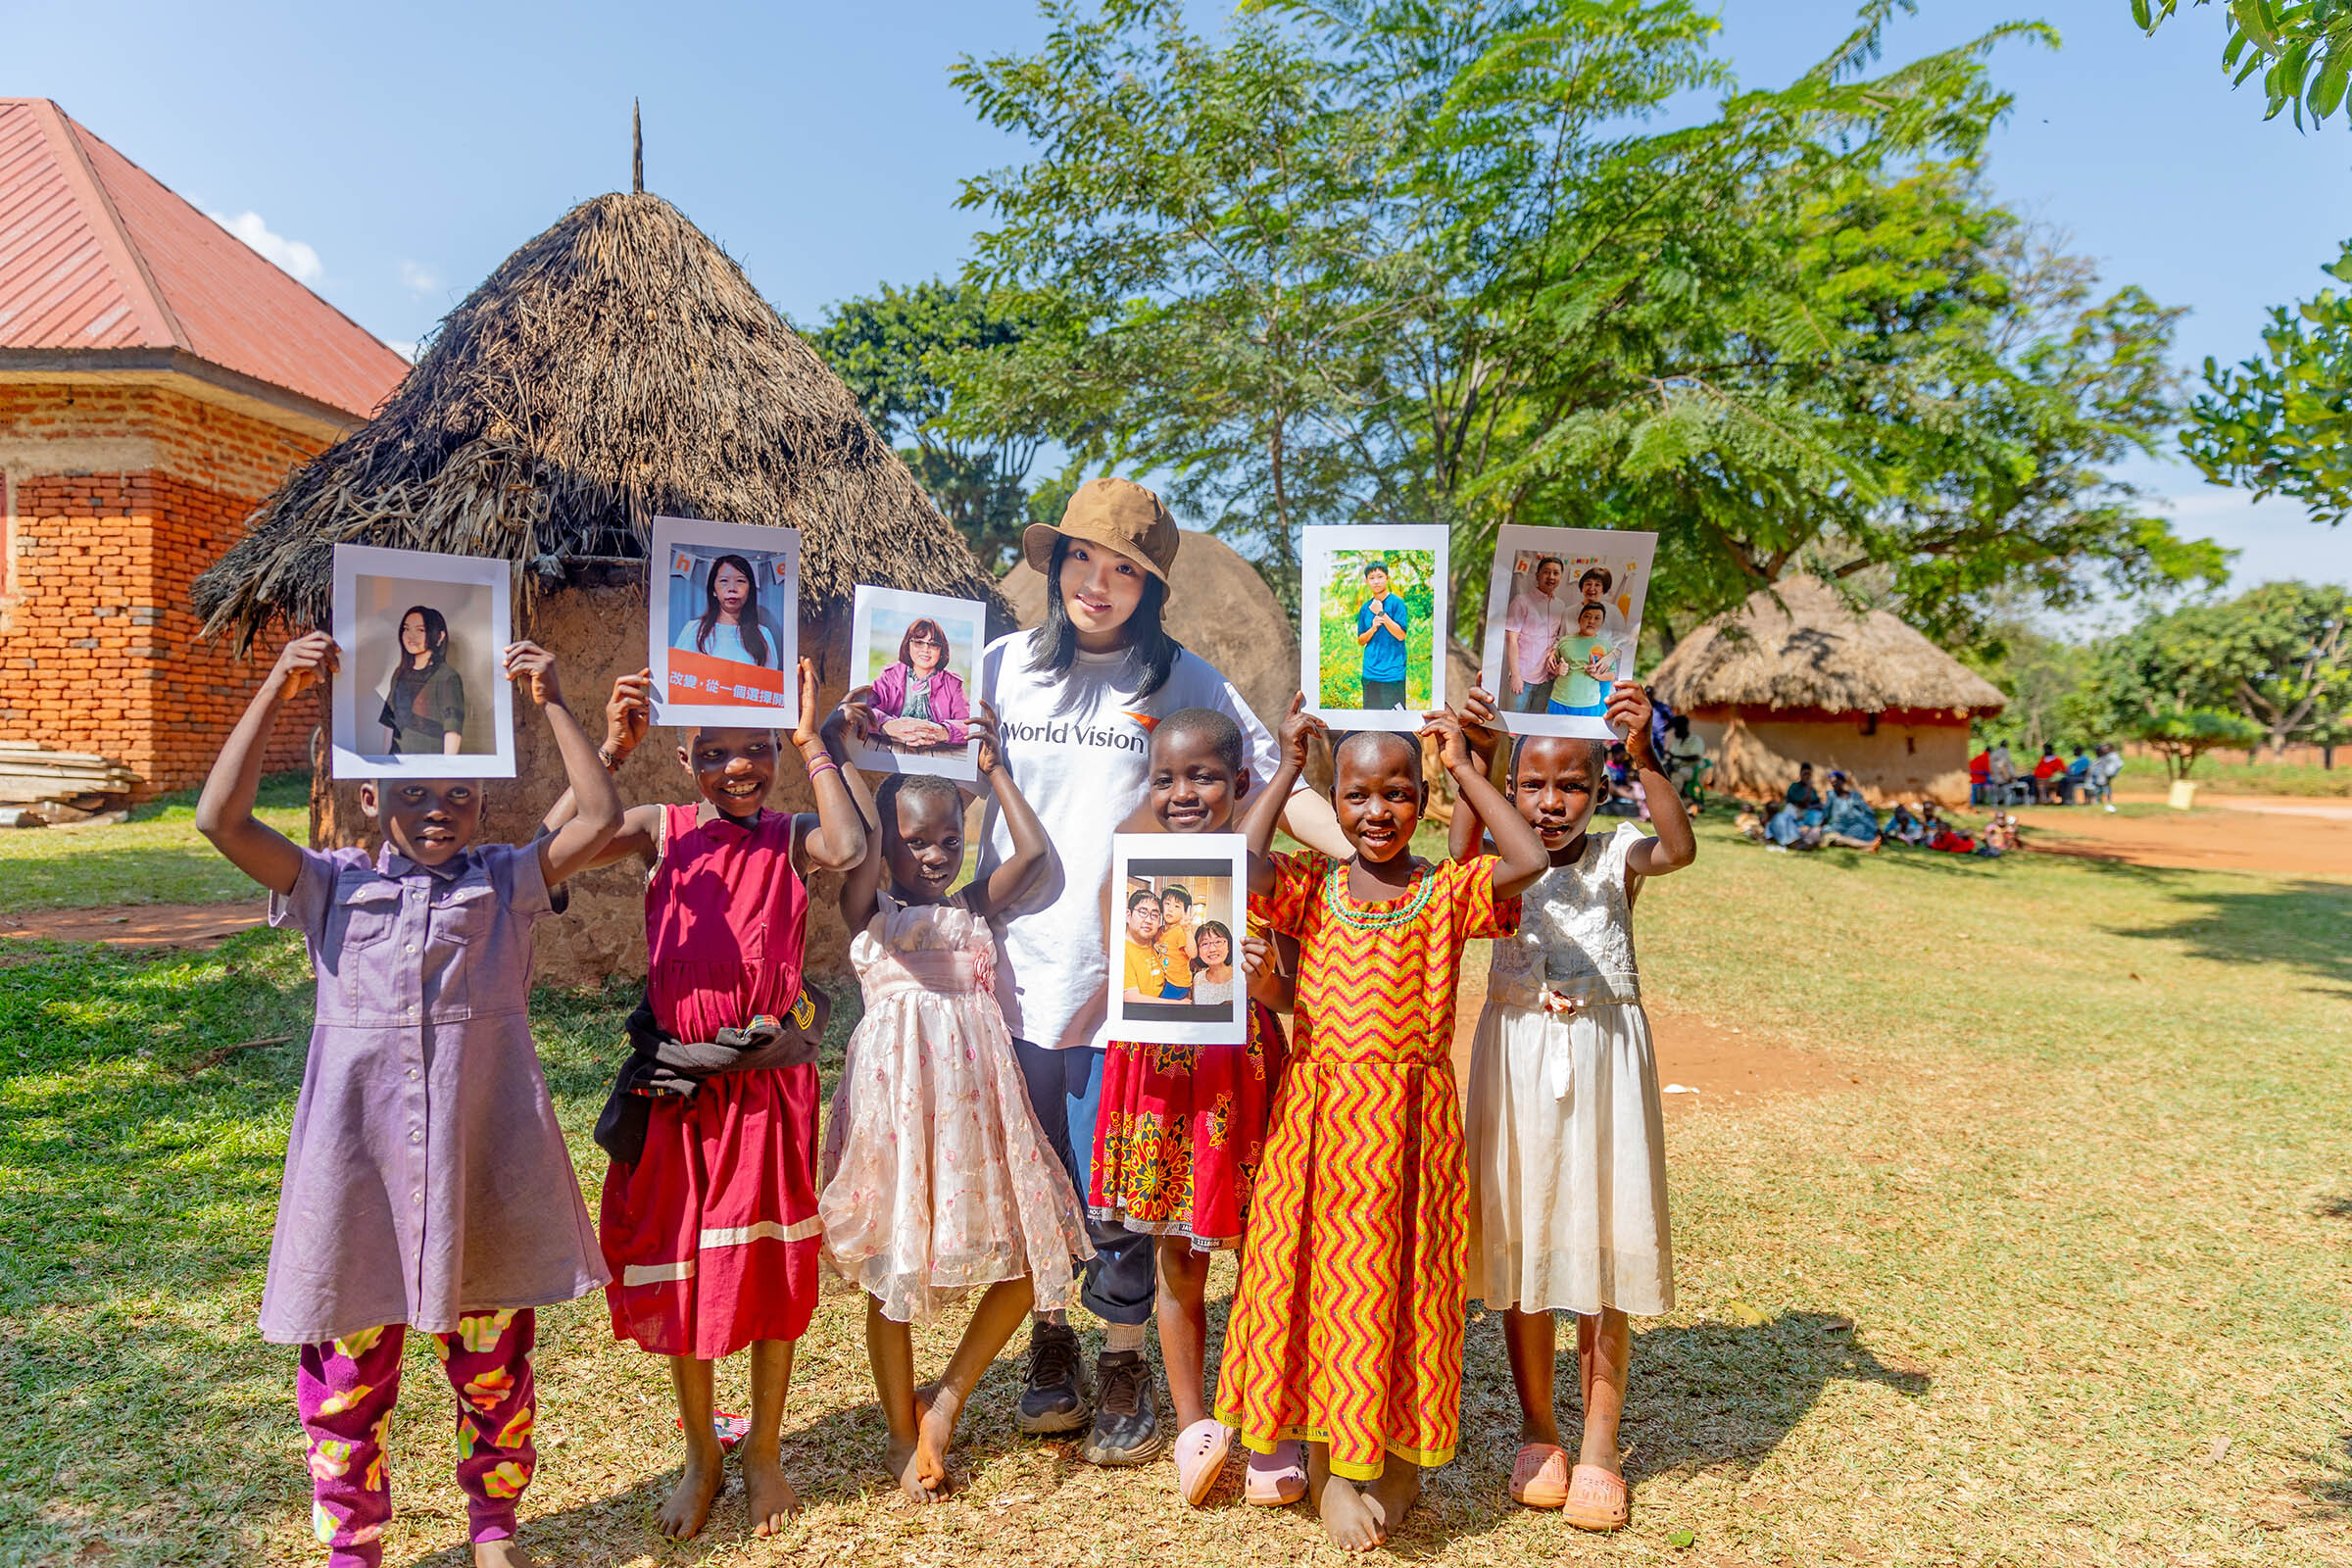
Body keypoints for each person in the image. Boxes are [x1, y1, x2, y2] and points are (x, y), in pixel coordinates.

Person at [196, 631, 624, 1568]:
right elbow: (219, 820)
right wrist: (278, 683)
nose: (440, 811)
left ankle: (494, 1529)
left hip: (482, 1173)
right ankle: (353, 1541)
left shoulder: (503, 882)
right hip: (359, 1182)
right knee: (346, 1377)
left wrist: (553, 697)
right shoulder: (329, 886)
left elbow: (597, 817)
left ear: (483, 799)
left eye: (459, 795)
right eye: (414, 793)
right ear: (367, 794)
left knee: (495, 1370)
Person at [967, 476, 1348, 1466]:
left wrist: (1361, 846)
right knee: (1037, 1172)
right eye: (1082, 560)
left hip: (1138, 983)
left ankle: (1125, 1352)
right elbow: (926, 769)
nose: (1099, 583)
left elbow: (1266, 780)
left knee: (1123, 1183)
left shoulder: (1186, 681)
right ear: (1055, 567)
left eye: (1124, 571)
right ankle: (1052, 1337)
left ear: (1151, 587)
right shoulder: (1005, 667)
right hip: (1015, 967)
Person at [541, 661, 867, 1542]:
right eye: (714, 752)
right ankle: (701, 1449)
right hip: (678, 1090)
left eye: (755, 750)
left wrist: (811, 740)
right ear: (685, 757)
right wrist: (608, 747)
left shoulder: (793, 834)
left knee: (766, 1268)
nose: (737, 768)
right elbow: (556, 848)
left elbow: (850, 848)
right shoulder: (658, 827)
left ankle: (762, 1446)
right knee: (683, 1269)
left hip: (767, 1088)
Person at [1218, 697, 1550, 1550]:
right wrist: (1289, 764)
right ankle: (1334, 1471)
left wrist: (1467, 768)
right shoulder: (1313, 887)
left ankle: (1390, 1460)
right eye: (1358, 795)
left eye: (1400, 793)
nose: (1378, 813)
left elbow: (1529, 856)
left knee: (1401, 1291)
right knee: (1327, 1292)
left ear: (1422, 797)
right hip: (1322, 1128)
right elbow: (1239, 863)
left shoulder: (1443, 889)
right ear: (1334, 803)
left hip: (1410, 1132)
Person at [819, 723, 1094, 1503]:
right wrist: (846, 758)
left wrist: (993, 771)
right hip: (900, 1115)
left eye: (950, 838)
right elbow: (859, 849)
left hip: (979, 1113)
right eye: (915, 840)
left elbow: (1036, 858)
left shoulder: (974, 905)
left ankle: (943, 1403)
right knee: (891, 1271)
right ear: (887, 844)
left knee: (1028, 1259)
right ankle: (904, 1439)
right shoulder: (869, 910)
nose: (934, 854)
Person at [1451, 679, 1695, 1534]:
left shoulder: (1620, 852)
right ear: (1511, 788)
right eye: (1532, 785)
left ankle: (1599, 1444)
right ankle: (1538, 1430)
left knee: (1601, 1243)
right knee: (1521, 1243)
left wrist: (1643, 754)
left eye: (1572, 786)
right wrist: (1471, 761)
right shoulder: (1493, 862)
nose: (1550, 803)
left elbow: (1680, 846)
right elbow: (1455, 856)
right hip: (1515, 1063)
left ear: (1598, 791)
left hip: (1603, 1066)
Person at [1088, 708, 1298, 1507]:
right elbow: (1119, 947)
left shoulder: (1266, 872)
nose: (1183, 793)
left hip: (1240, 1080)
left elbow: (1287, 991)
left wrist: (1263, 972)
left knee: (1263, 1256)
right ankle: (1192, 1424)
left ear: (1239, 783)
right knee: (1178, 1251)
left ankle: (1266, 1414)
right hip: (1160, 1081)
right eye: (1165, 778)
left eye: (1204, 776)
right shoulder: (1139, 869)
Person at [866, 616, 971, 753]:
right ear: (908, 645)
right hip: (890, 751)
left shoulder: (952, 684)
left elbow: (970, 725)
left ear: (941, 650)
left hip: (939, 754)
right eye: (919, 642)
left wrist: (944, 731)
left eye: (933, 644)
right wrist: (887, 724)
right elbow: (864, 709)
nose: (926, 649)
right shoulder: (890, 676)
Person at [378, 605, 466, 756]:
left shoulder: (447, 677)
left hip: (429, 764)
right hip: (396, 763)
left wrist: (446, 770)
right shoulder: (400, 674)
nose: (411, 636)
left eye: (420, 630)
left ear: (439, 637)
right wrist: (382, 767)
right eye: (406, 629)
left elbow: (453, 729)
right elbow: (389, 722)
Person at [671, 553, 774, 668]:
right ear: (713, 590)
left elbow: (770, 683)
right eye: (724, 581)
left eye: (740, 581)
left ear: (750, 590)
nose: (732, 588)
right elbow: (676, 676)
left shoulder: (763, 635)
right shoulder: (693, 631)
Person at [1499, 556, 1568, 713]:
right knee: (1515, 728)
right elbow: (1511, 639)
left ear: (1561, 578)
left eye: (1556, 573)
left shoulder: (1561, 605)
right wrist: (1516, 676)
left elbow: (1558, 638)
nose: (1551, 577)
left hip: (1547, 679)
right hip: (1523, 677)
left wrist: (1554, 651)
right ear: (1537, 575)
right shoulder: (1521, 601)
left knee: (1533, 728)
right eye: (1546, 572)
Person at [1354, 561, 1413, 710]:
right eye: (1372, 578)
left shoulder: (1397, 604)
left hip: (1393, 673)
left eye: (1380, 576)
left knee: (1396, 723)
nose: (1376, 581)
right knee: (1371, 722)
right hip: (1370, 673)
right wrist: (1373, 628)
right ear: (1366, 581)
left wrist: (1381, 613)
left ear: (1387, 578)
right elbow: (1361, 640)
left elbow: (1401, 635)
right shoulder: (1365, 608)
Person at [1548, 602, 1617, 718]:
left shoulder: (1606, 646)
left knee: (1584, 737)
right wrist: (1557, 670)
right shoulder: (1564, 641)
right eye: (1587, 616)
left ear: (1602, 623)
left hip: (1589, 705)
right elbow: (1552, 670)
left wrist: (1596, 675)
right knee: (1556, 736)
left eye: (1597, 618)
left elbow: (1611, 675)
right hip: (1559, 701)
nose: (1591, 621)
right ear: (1579, 619)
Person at [1120, 890, 1168, 1004]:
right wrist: (1180, 1005)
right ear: (1128, 915)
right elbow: (1131, 997)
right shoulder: (1121, 950)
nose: (1148, 920)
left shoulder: (1158, 944)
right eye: (1142, 912)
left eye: (1155, 915)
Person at [1820, 771, 1882, 852]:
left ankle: (1868, 847)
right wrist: (1820, 828)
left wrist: (1876, 828)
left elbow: (1868, 812)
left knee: (1861, 831)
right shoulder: (1831, 796)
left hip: (1852, 827)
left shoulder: (1855, 796)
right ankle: (1869, 845)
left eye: (1835, 782)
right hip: (1836, 828)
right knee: (1835, 837)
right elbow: (1826, 815)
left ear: (1842, 782)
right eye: (1832, 783)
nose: (1833, 784)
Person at [1155, 884, 1198, 1001]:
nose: (1170, 909)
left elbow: (1193, 954)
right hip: (1163, 980)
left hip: (1177, 984)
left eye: (1177, 906)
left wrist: (1187, 930)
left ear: (1185, 911)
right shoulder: (1159, 930)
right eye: (1167, 903)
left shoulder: (1180, 931)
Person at [1662, 715, 1710, 812]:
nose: (1675, 731)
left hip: (1692, 770)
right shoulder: (1677, 742)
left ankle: (1673, 804)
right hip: (1678, 768)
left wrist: (1676, 757)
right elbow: (1671, 757)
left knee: (1676, 775)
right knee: (1664, 770)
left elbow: (1696, 757)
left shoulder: (1696, 740)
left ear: (1684, 727)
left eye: (1676, 728)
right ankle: (1667, 800)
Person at [2091, 743, 2123, 810]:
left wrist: (2113, 772)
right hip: (2104, 774)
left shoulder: (2113, 755)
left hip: (2107, 774)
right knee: (2102, 787)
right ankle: (2101, 800)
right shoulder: (2107, 756)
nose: (2105, 750)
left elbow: (2119, 764)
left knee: (2104, 787)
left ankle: (2105, 800)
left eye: (2106, 748)